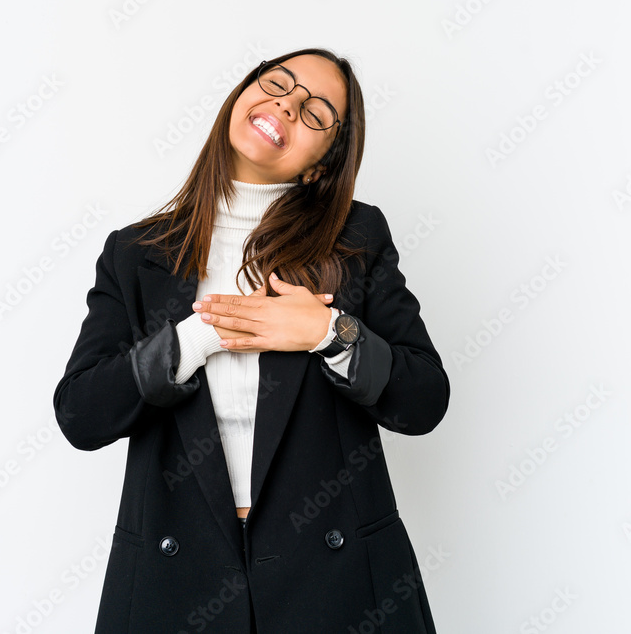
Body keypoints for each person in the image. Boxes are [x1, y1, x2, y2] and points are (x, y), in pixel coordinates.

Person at [53, 47, 451, 634]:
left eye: (315, 112)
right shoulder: (136, 253)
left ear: (324, 163)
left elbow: (424, 401)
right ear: (242, 93)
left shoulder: (357, 238)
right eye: (278, 83)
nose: (285, 105)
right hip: (179, 584)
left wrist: (329, 333)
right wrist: (196, 338)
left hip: (336, 587)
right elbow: (82, 414)